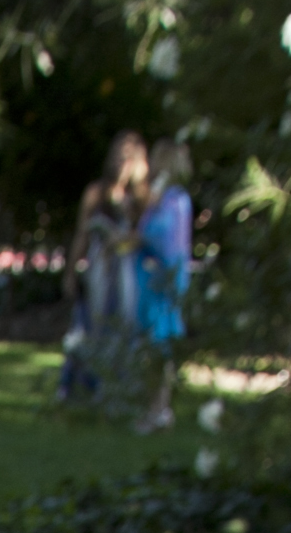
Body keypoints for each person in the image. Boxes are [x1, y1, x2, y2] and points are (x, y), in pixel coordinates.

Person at [58, 131, 149, 410]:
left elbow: (146, 236)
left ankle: (120, 389)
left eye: (128, 157)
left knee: (125, 327)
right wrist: (71, 271)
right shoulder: (96, 193)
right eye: (119, 155)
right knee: (90, 325)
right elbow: (82, 235)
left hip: (128, 273)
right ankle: (82, 386)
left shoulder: (140, 199)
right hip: (100, 270)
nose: (122, 162)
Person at [134, 139, 193, 433]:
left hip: (162, 285)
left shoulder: (172, 201)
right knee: (154, 347)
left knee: (159, 347)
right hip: (156, 283)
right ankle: (155, 407)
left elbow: (160, 239)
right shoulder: (171, 199)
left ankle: (159, 409)